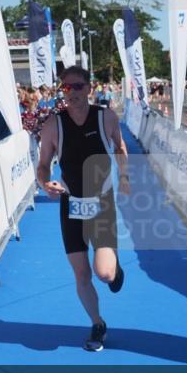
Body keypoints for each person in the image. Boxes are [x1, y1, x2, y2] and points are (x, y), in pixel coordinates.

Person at [36, 66, 128, 352]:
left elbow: (121, 148)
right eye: (66, 88)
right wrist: (44, 183)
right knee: (81, 274)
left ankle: (116, 268)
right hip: (71, 203)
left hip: (101, 203)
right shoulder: (54, 124)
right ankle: (98, 323)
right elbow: (42, 165)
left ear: (90, 88)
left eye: (77, 87)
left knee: (105, 274)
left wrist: (124, 177)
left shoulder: (105, 117)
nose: (72, 93)